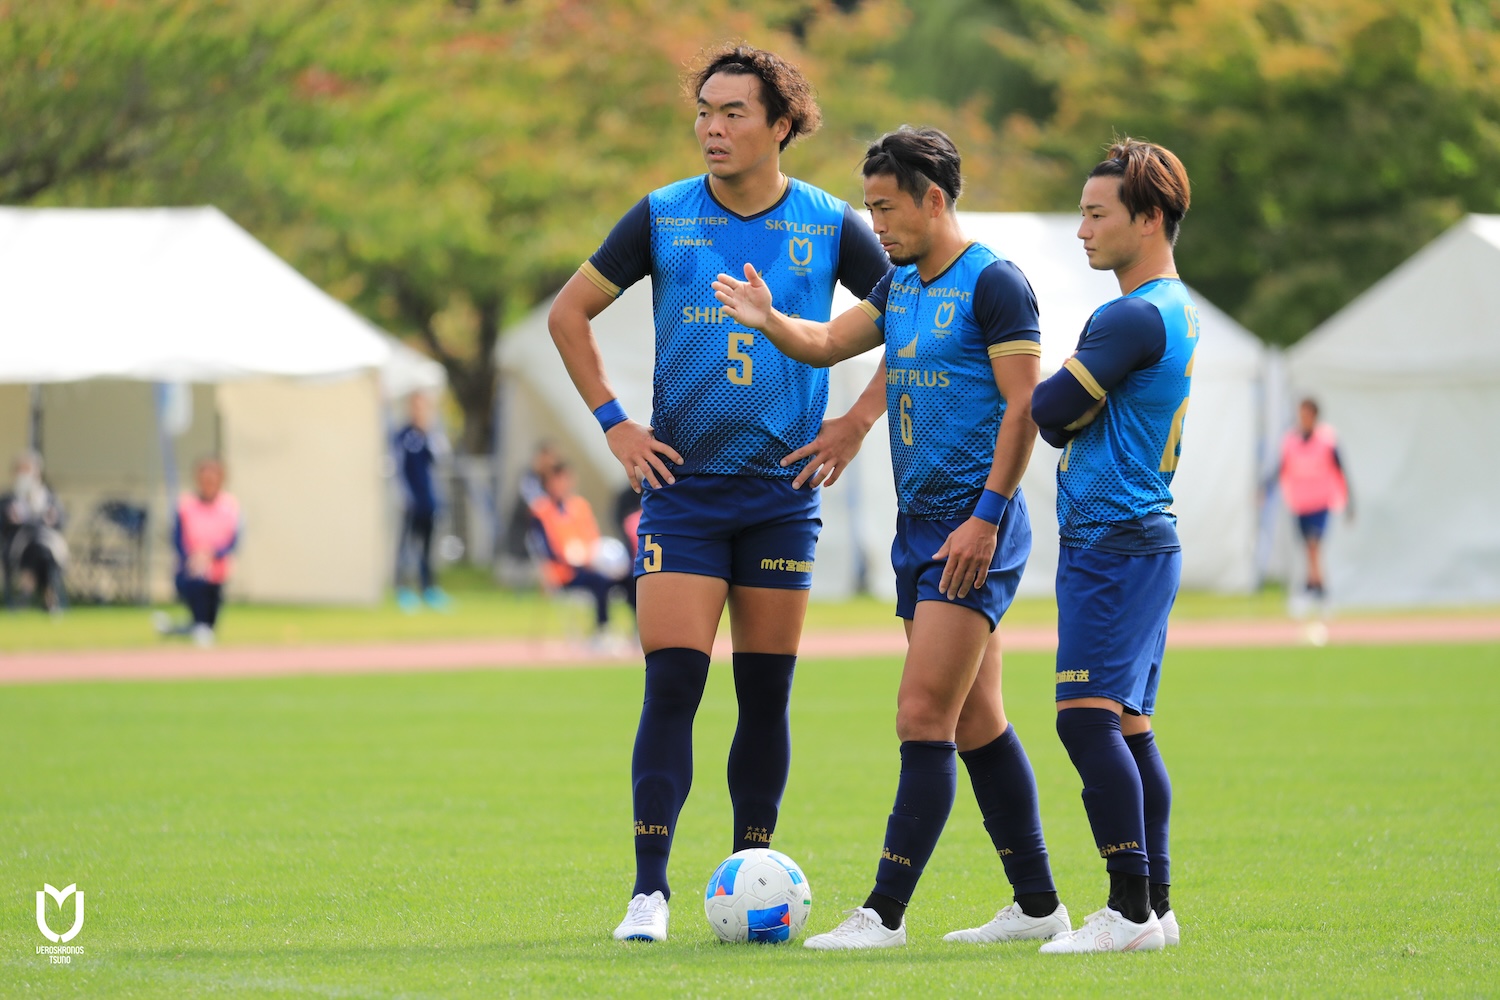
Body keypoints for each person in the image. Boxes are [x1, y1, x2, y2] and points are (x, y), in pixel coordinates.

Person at [547, 44, 891, 942]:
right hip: (684, 493)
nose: (711, 126)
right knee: (672, 686)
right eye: (704, 110)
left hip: (782, 496)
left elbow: (927, 313)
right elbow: (567, 313)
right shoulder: (663, 214)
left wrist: (857, 422)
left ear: (781, 124)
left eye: (733, 111)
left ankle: (751, 872)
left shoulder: (829, 223)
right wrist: (616, 424)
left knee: (765, 696)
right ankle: (649, 894)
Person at [714, 125, 1066, 950]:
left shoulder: (995, 284)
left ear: (933, 199)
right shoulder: (901, 284)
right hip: (921, 526)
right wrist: (769, 320)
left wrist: (987, 516)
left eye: (886, 207)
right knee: (976, 719)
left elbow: (1025, 408)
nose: (875, 224)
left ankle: (884, 914)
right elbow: (827, 343)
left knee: (920, 715)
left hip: (973, 526)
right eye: (869, 208)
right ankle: (1039, 905)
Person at [1027, 138, 1196, 953]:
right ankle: (1154, 908)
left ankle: (1127, 912)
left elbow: (1049, 410)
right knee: (1128, 727)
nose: (1083, 230)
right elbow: (1065, 412)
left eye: (1097, 214)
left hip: (1114, 542)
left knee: (1084, 722)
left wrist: (1066, 405)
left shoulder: (1131, 315)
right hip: (1140, 540)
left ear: (1149, 217)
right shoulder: (1174, 306)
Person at [528, 460, 636, 641]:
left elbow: (593, 538)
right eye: (557, 480)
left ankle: (638, 628)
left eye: (565, 479)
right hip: (565, 572)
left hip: (590, 563)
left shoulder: (580, 506)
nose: (562, 485)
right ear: (548, 483)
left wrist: (595, 558)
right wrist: (574, 559)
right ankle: (602, 630)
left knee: (629, 576)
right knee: (600, 581)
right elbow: (546, 549)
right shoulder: (541, 511)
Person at [155, 457, 240, 647]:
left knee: (208, 623)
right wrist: (192, 557)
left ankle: (182, 628)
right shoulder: (186, 505)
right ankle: (197, 626)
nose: (208, 483)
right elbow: (177, 538)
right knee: (197, 585)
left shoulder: (229, 505)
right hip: (190, 567)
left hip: (217, 569)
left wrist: (212, 554)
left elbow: (233, 541)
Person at [1279, 397, 1351, 611]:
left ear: (1315, 416)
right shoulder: (1291, 440)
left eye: (1307, 414)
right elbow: (1281, 466)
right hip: (1300, 502)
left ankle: (1310, 591)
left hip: (1321, 501)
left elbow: (1340, 468)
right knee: (1308, 548)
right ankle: (1319, 589)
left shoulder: (1327, 439)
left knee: (1314, 545)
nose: (1303, 418)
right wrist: (1265, 488)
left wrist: (1349, 501)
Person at [393, 392, 451, 612]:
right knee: (407, 547)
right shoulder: (403, 436)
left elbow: (442, 460)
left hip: (429, 502)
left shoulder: (430, 436)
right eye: (416, 406)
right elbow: (397, 467)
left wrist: (432, 433)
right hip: (411, 503)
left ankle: (429, 589)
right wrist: (404, 495)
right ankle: (403, 590)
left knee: (427, 549)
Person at [1, 450, 68, 612]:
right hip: (19, 544)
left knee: (42, 549)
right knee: (38, 549)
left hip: (47, 542)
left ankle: (26, 591)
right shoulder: (8, 499)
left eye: (29, 469)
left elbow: (61, 520)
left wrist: (53, 517)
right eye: (22, 469)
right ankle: (49, 596)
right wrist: (10, 518)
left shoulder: (48, 496)